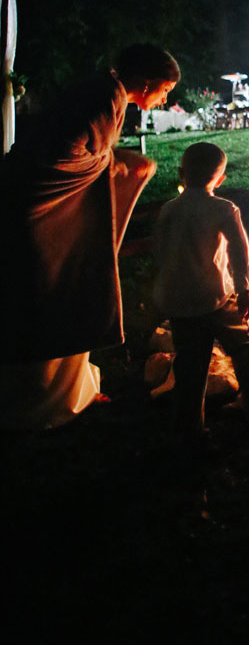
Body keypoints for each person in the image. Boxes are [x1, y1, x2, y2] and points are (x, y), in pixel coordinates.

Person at [0, 43, 180, 429]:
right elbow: (64, 156)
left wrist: (113, 163)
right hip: (40, 210)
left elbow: (88, 151)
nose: (166, 98)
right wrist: (110, 165)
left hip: (40, 204)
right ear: (147, 83)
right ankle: (37, 402)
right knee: (55, 290)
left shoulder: (106, 92)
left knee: (70, 286)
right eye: (165, 90)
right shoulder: (103, 98)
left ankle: (70, 388)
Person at [152, 142, 249, 449]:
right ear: (221, 179)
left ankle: (189, 431)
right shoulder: (223, 208)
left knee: (190, 369)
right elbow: (241, 253)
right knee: (245, 349)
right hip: (216, 299)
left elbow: (160, 251)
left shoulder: (168, 209)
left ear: (181, 173)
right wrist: (244, 290)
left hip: (180, 303)